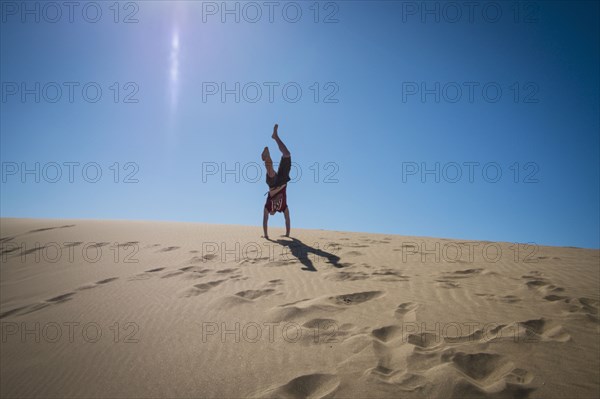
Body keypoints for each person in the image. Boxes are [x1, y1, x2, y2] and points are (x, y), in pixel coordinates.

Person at [262, 123, 291, 239]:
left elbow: (265, 220)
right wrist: (288, 234)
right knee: (287, 155)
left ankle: (267, 158)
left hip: (274, 185)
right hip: (283, 181)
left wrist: (266, 236)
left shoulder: (268, 207)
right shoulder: (283, 208)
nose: (271, 214)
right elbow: (287, 219)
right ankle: (275, 137)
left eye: (270, 214)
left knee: (271, 173)